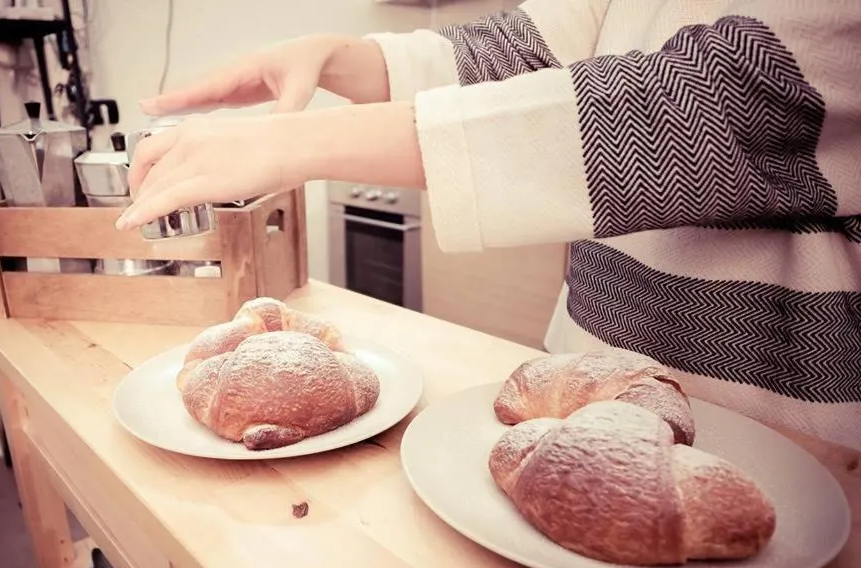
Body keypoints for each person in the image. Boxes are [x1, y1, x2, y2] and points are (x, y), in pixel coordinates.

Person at [119, 0, 861, 451]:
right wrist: (340, 59)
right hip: (577, 391)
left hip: (789, 434)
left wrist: (293, 144)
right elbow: (517, 51)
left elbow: (701, 101)